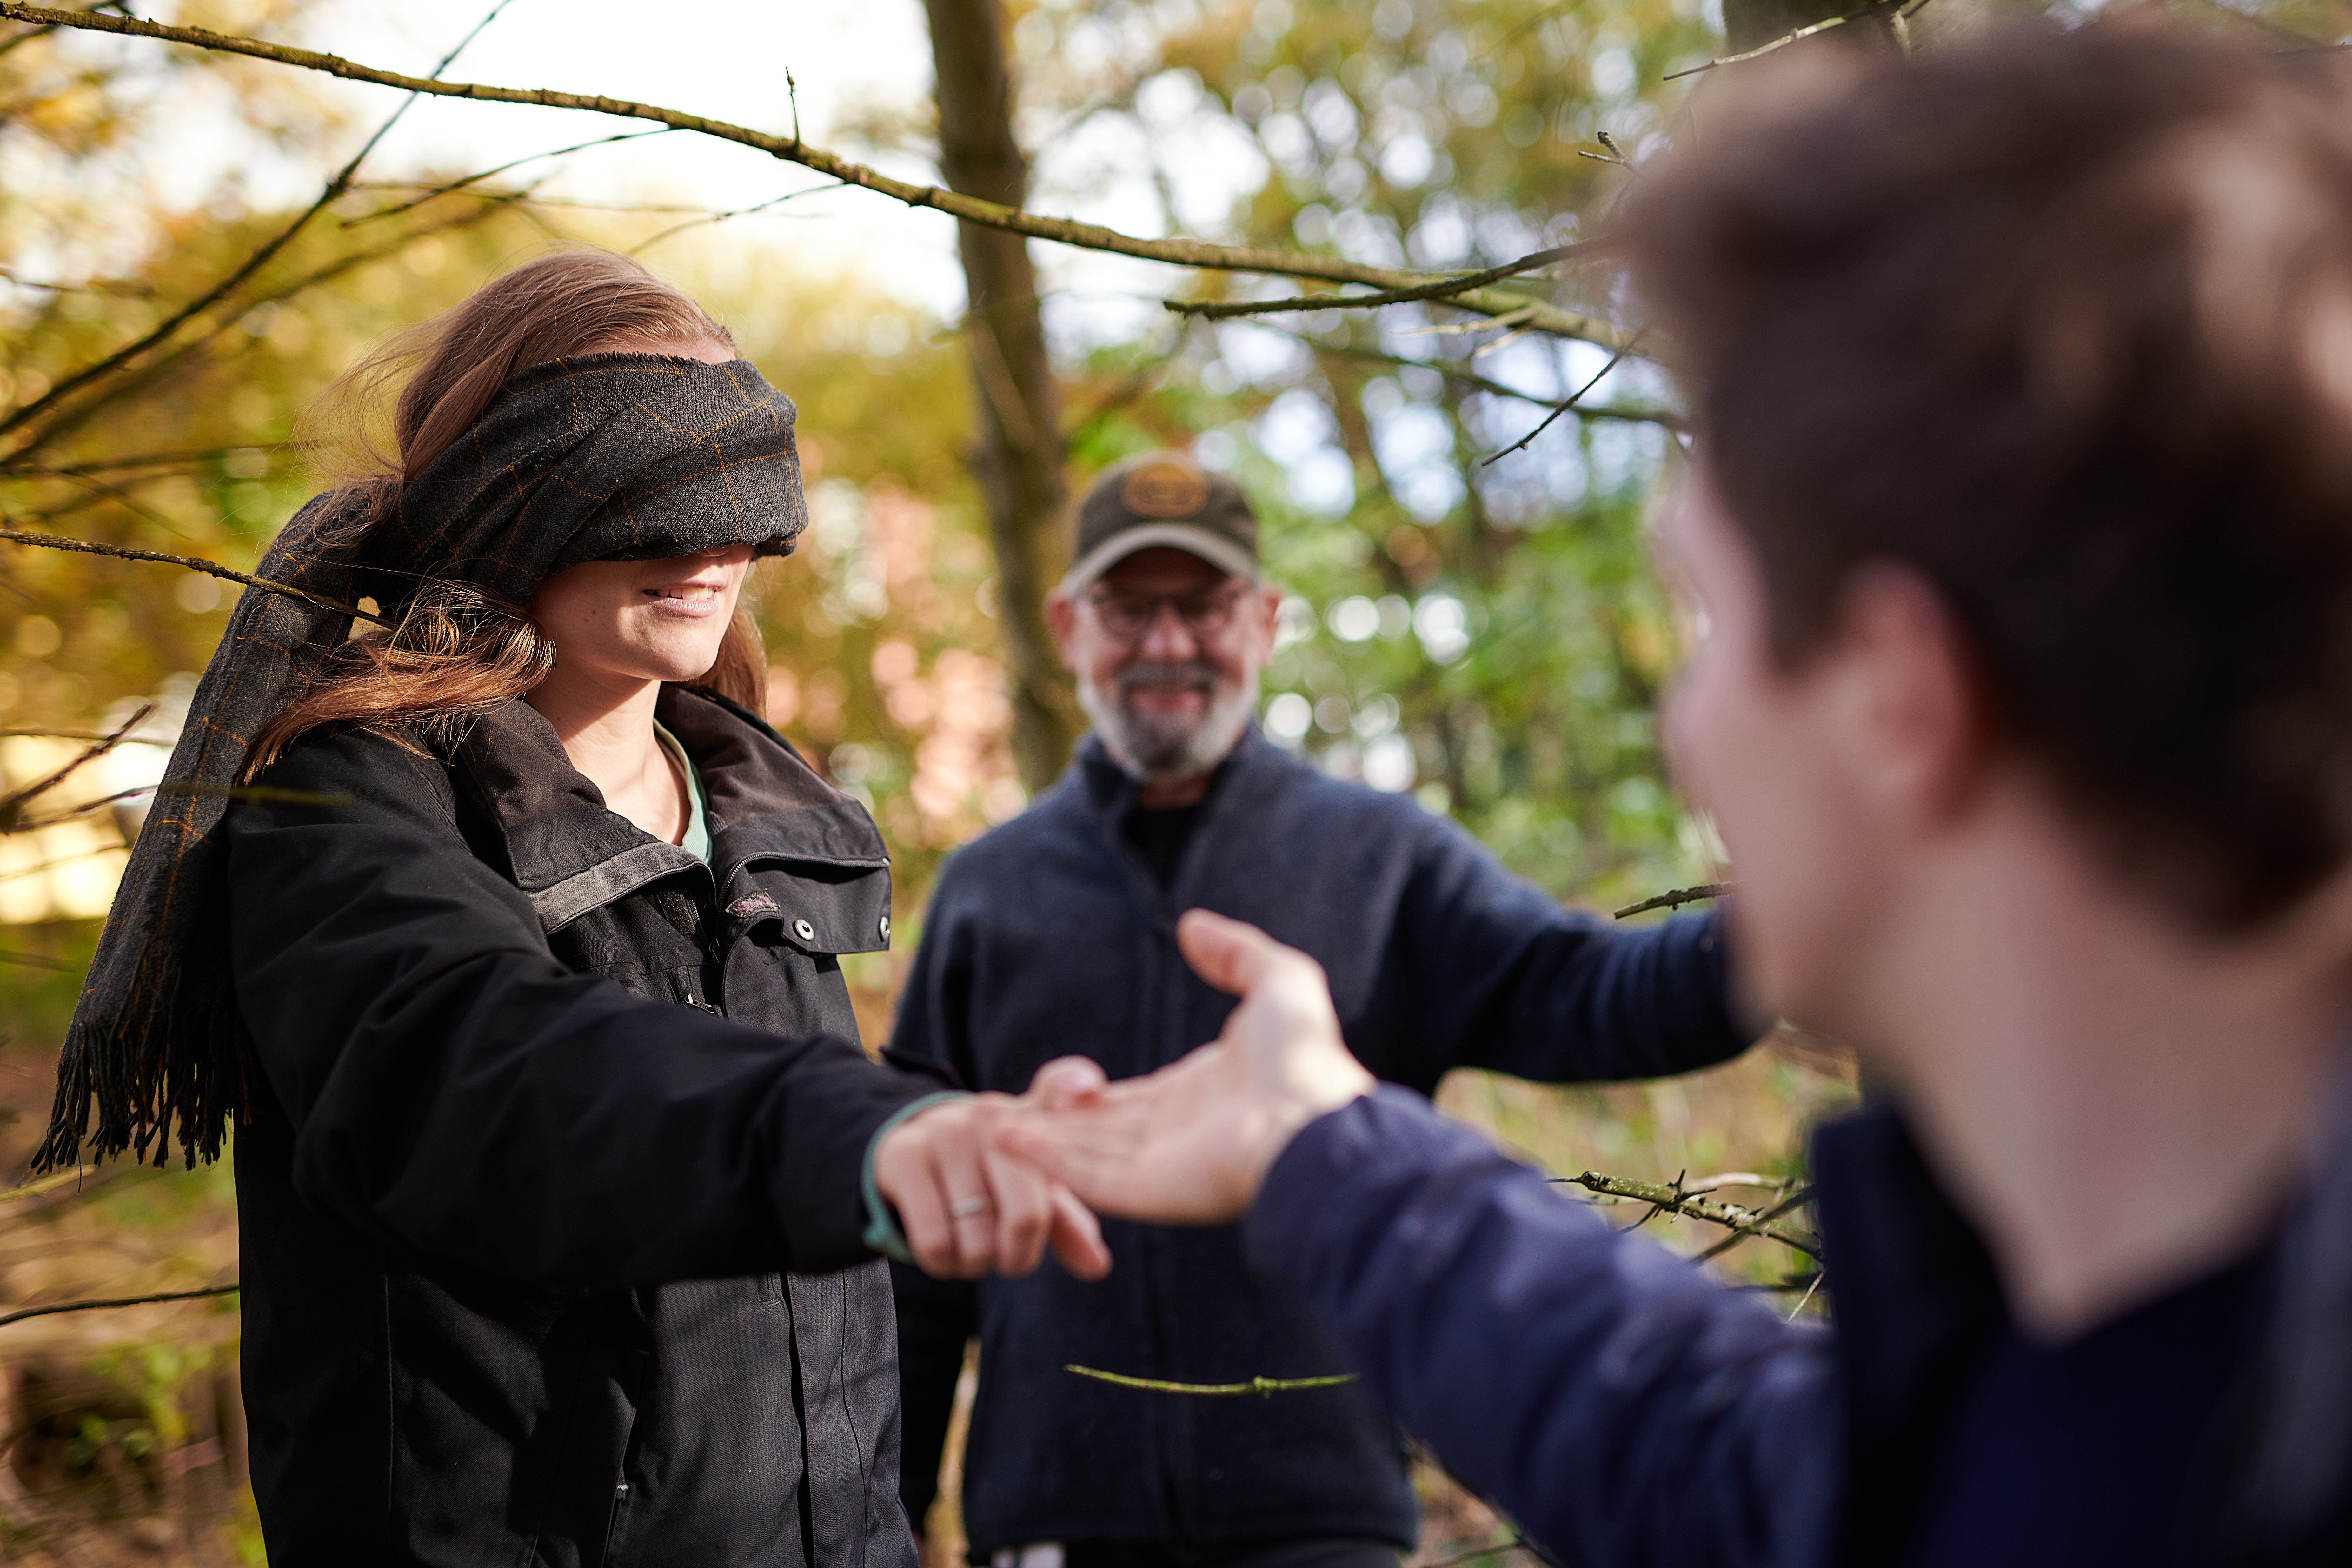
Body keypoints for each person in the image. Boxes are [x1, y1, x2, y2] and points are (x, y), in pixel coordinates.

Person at [999, 22, 2352, 1567]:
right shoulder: (2123, 1380)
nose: (1687, 726)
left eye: (1704, 615)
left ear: (1896, 692)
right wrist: (1324, 1143)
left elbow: (1586, 1005)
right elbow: (1764, 1467)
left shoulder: (2197, 1423)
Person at [33, 248, 1105, 1566]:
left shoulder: (779, 822)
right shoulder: (344, 813)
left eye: (746, 488)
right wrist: (861, 1140)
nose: (718, 541)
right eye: (656, 487)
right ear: (509, 500)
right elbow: (483, 1070)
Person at [889, 453, 1760, 1567]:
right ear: (1067, 625)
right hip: (1057, 1516)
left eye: (1201, 607)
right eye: (1128, 608)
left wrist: (1777, 932)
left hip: (1319, 1520)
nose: (1166, 644)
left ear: (1262, 619)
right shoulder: (985, 889)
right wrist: (890, 1510)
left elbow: (1592, 996)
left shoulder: (1379, 854)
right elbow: (918, 1246)